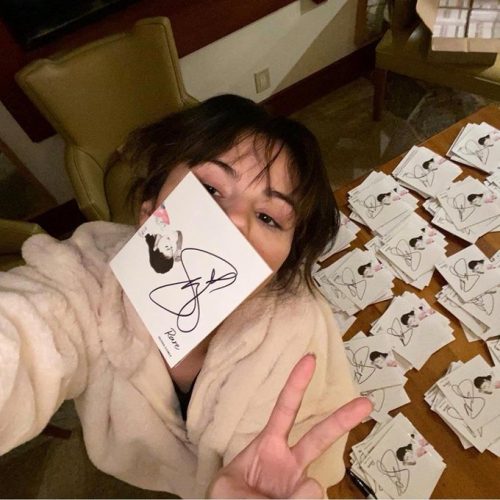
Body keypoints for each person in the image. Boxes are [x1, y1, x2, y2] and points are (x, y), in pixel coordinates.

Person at [0, 94, 368, 498]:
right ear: (149, 210)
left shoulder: (298, 329)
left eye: (267, 217)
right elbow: (26, 328)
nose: (234, 222)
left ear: (280, 264)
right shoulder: (87, 276)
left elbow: (298, 460)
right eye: (210, 189)